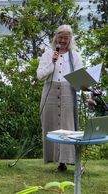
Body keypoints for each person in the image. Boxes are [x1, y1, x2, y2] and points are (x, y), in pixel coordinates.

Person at [37, 25, 83, 171]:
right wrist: (52, 62)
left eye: (66, 38)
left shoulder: (75, 55)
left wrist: (84, 86)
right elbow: (40, 76)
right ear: (55, 37)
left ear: (70, 40)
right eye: (60, 37)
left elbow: (81, 78)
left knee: (68, 127)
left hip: (68, 92)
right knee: (52, 127)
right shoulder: (47, 54)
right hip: (50, 93)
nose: (62, 40)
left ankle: (74, 162)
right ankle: (60, 163)